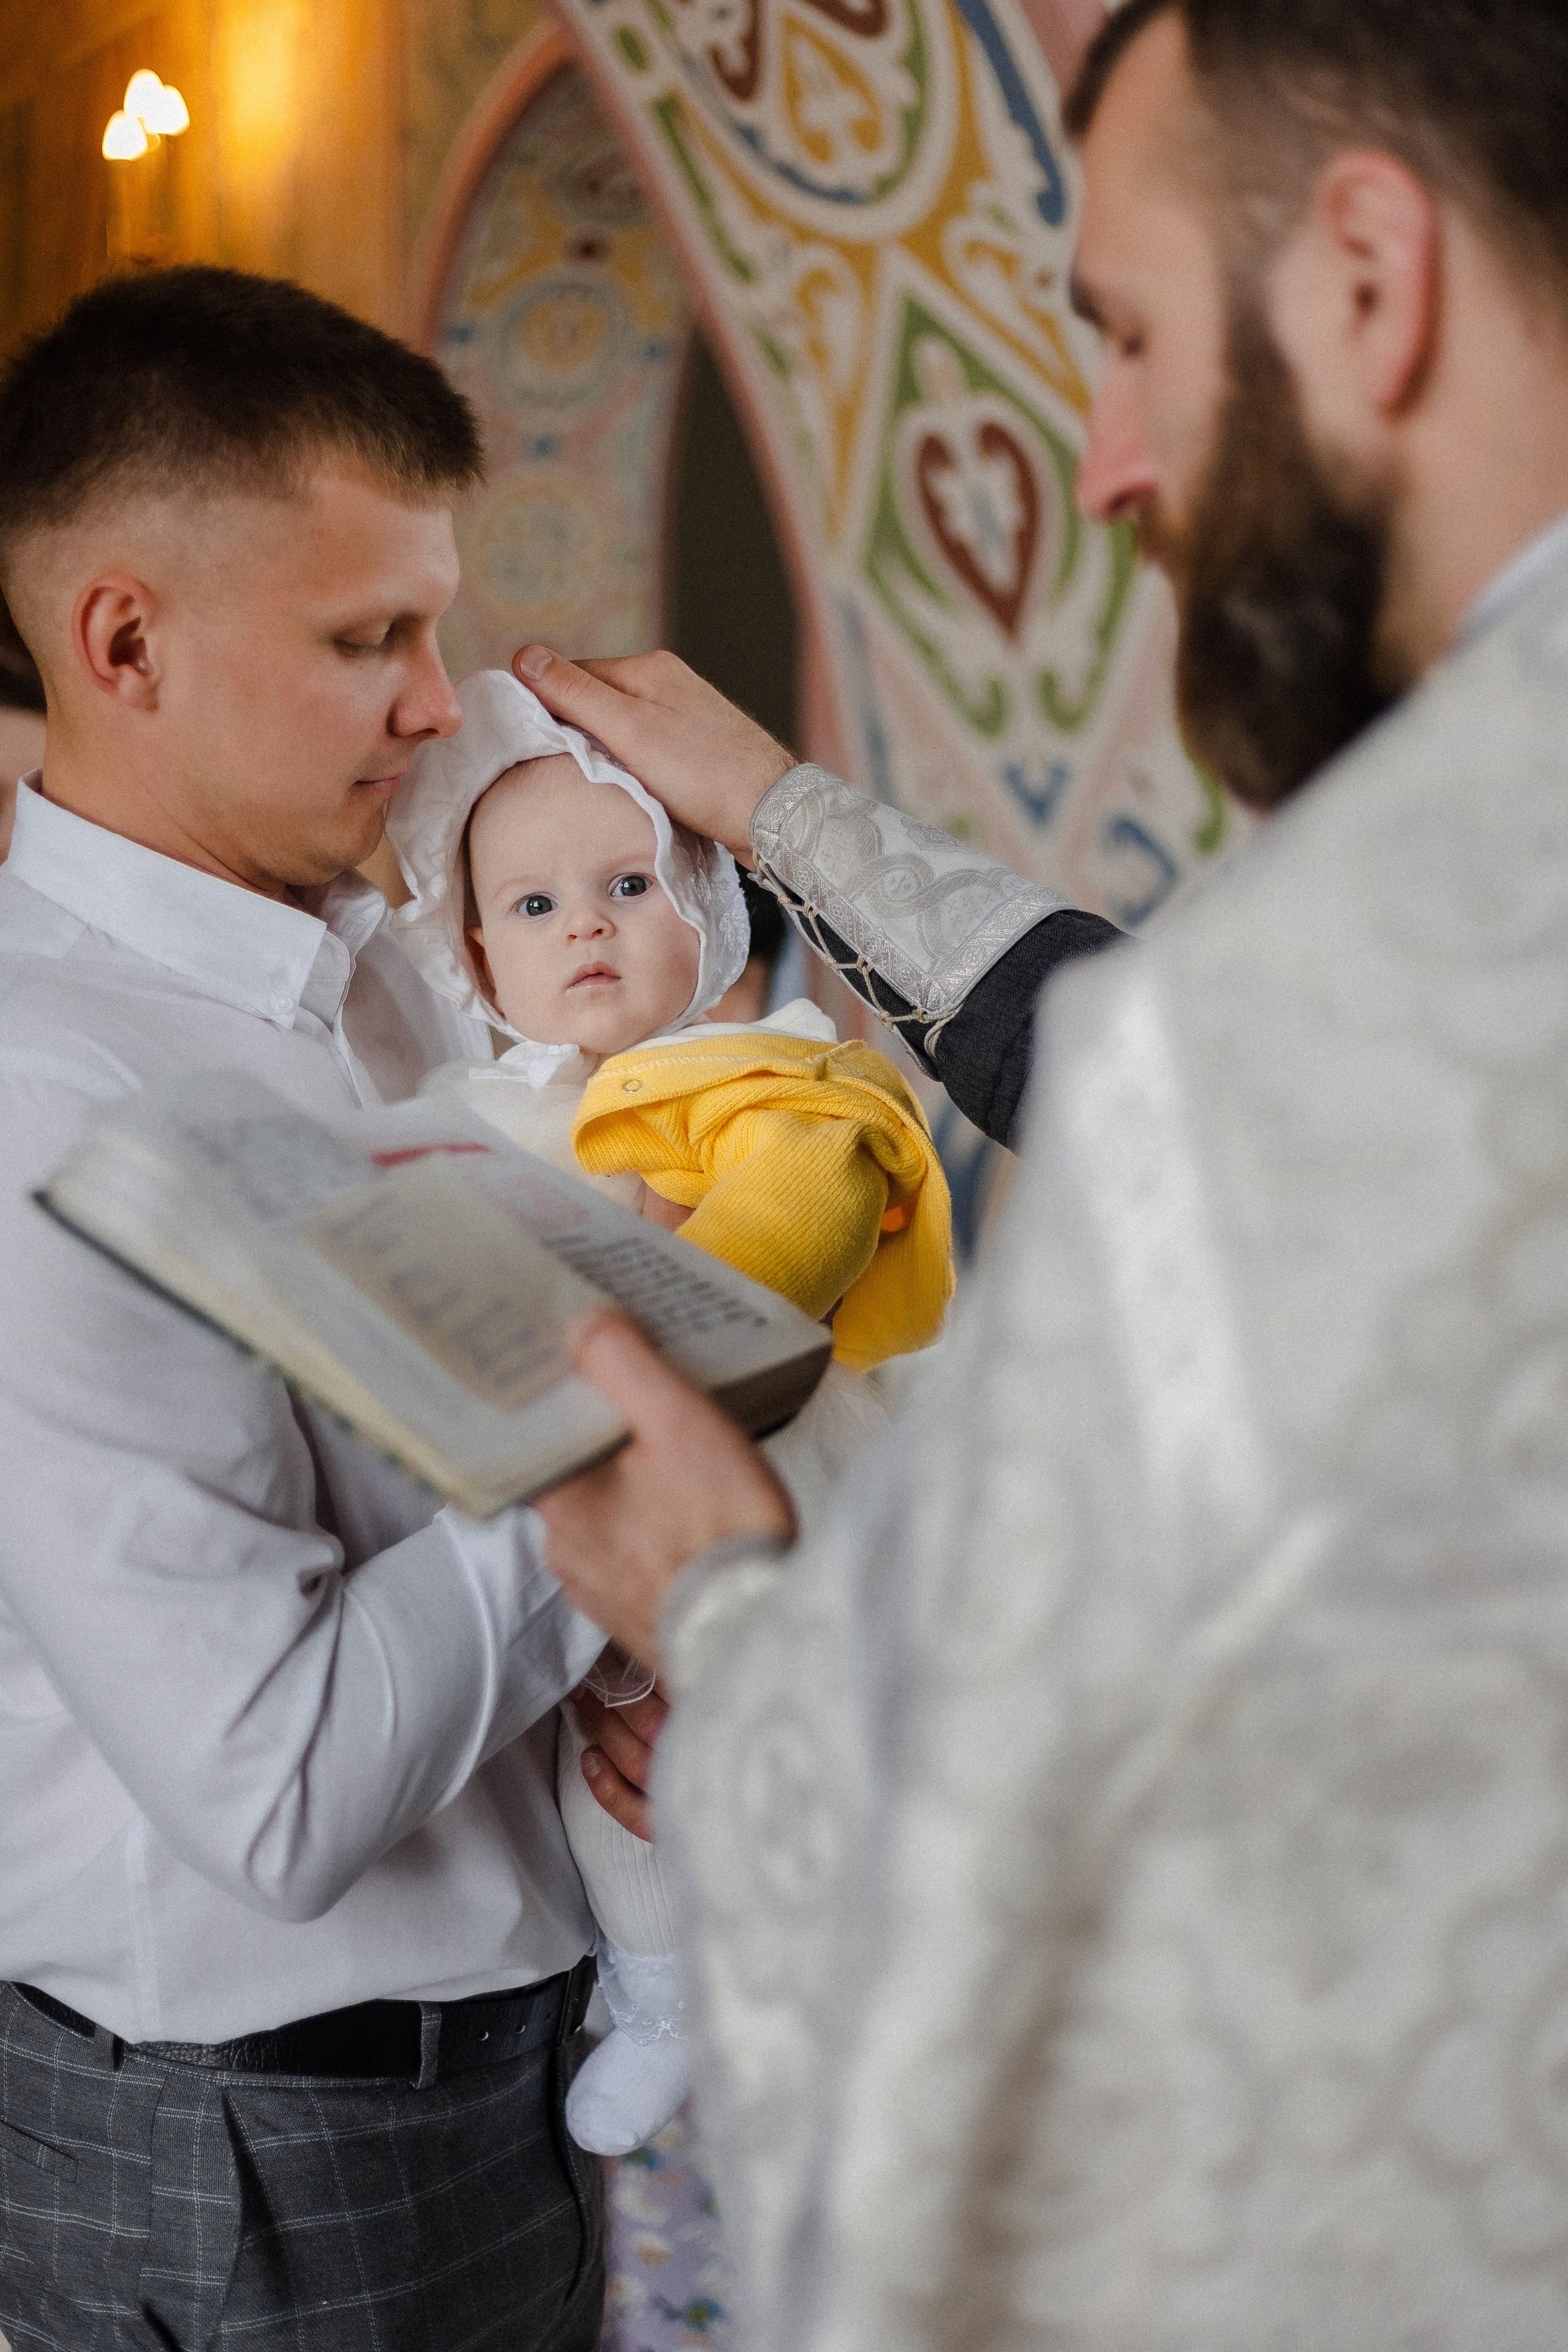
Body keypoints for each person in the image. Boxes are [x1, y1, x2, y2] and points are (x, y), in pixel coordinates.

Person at [502, 1, 1568, 2343]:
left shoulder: (1311, 1004)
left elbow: (959, 1942)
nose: (1105, 464)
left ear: (1369, 277)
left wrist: (727, 1609)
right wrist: (781, 809)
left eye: (1130, 337)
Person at [0, 265, 638, 2352]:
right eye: (371, 640)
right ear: (122, 643)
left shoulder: (376, 962)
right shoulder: (48, 1107)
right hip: (260, 2149)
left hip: (503, 2070)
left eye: (435, 629)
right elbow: (273, 1794)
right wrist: (627, 1463)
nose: (439, 703)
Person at [384, 666, 952, 2155]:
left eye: (627, 883)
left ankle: (835, 1973)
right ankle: (656, 1996)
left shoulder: (752, 1070)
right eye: (531, 907)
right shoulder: (467, 1124)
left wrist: (669, 1307)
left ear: (700, 917)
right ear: (474, 962)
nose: (582, 923)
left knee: (795, 1735)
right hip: (577, 1529)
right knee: (612, 1780)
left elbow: (802, 1211)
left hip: (759, 1475)